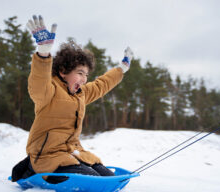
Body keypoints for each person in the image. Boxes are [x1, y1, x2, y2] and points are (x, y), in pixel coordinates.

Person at [12, 15, 133, 182]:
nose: (84, 79)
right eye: (79, 73)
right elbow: (38, 82)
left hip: (72, 152)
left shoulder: (80, 94)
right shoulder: (49, 91)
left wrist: (121, 69)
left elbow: (101, 85)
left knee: (107, 177)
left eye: (86, 75)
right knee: (91, 180)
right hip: (47, 154)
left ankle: (71, 168)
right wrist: (43, 54)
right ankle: (31, 168)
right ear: (63, 72)